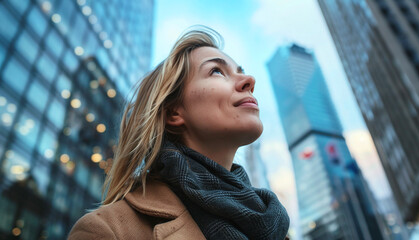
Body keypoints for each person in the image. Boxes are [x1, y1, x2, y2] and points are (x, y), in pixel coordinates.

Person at [68, 26, 290, 240]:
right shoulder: (107, 230)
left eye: (240, 71)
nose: (249, 81)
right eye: (217, 71)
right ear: (174, 113)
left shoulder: (272, 221)